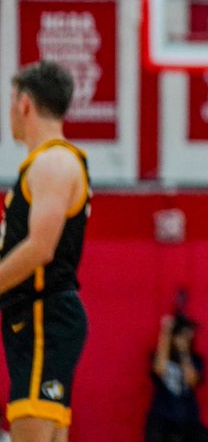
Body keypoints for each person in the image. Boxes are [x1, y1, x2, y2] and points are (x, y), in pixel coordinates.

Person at [0, 60, 91, 442]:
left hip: (43, 318)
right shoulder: (45, 164)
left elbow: (40, 248)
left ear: (24, 103)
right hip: (37, 319)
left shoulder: (54, 161)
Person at [145, 312, 208, 442]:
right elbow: (160, 369)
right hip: (162, 419)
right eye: (182, 334)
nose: (187, 338)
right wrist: (166, 332)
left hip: (188, 420)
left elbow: (192, 380)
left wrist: (184, 351)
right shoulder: (158, 356)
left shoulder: (196, 360)